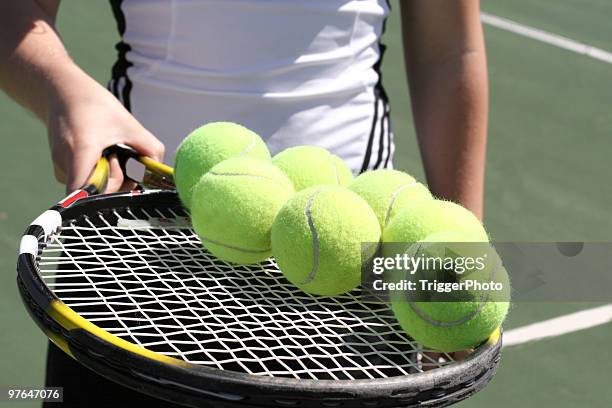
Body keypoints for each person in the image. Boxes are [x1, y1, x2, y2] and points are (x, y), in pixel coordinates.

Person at [1, 0, 488, 406]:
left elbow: (451, 49)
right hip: (139, 261)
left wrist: (456, 251)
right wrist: (63, 88)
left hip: (352, 289)